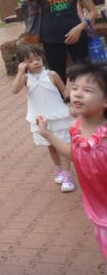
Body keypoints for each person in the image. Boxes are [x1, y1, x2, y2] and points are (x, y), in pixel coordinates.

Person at [37, 63, 107, 258]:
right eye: (74, 88)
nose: (77, 93)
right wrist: (48, 135)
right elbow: (77, 156)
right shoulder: (75, 128)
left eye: (87, 90)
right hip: (97, 207)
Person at [22, 0, 96, 84]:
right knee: (58, 77)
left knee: (85, 74)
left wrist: (79, 28)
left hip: (77, 36)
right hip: (51, 39)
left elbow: (93, 12)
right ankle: (62, 103)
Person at [10, 45, 74, 192]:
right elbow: (14, 90)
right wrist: (20, 72)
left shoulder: (51, 75)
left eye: (38, 58)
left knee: (62, 145)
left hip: (58, 116)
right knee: (51, 147)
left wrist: (71, 100)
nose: (36, 62)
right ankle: (59, 169)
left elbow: (63, 90)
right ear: (23, 64)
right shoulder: (26, 78)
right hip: (40, 119)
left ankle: (67, 176)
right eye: (30, 61)